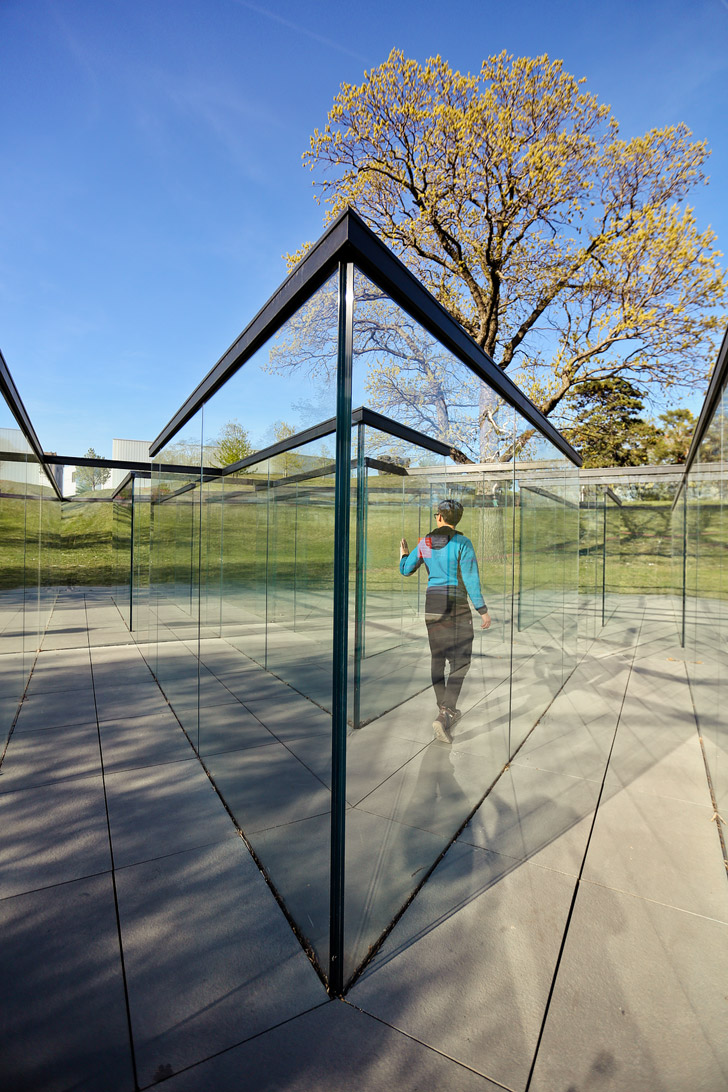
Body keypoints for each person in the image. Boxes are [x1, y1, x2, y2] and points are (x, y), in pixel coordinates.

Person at [399, 498, 491, 743]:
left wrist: (404, 555)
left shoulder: (426, 543)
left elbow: (406, 570)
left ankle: (444, 708)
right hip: (456, 606)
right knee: (461, 661)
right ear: (456, 519)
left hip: (433, 605)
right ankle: (446, 712)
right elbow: (471, 580)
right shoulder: (462, 542)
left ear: (440, 516)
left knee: (438, 658)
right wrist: (482, 610)